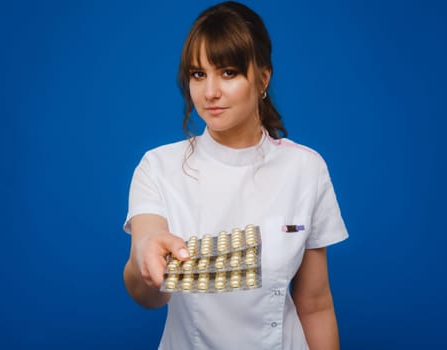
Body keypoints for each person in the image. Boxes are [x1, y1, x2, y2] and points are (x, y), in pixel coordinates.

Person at [123, 1, 348, 349]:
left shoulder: (306, 168)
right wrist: (147, 258)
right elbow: (147, 294)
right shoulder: (158, 166)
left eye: (228, 72)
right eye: (199, 74)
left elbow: (316, 305)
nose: (210, 92)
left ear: (262, 78)